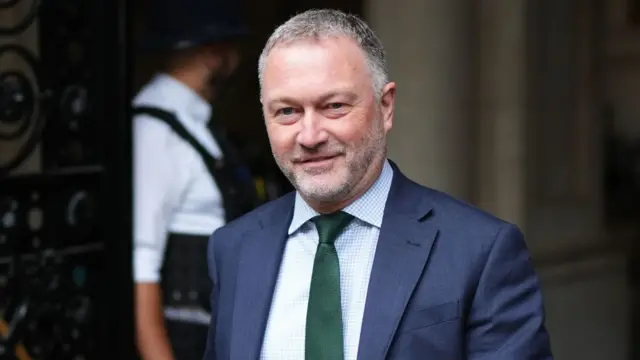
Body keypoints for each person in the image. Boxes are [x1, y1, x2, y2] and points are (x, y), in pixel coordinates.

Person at [203, 8, 553, 360]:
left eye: (334, 106)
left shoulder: (479, 251)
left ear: (386, 107)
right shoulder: (234, 250)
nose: (309, 136)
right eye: (287, 112)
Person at [131, 1, 257, 359]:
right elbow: (140, 266)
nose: (236, 59)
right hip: (185, 343)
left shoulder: (194, 125)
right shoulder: (155, 131)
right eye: (232, 48)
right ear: (213, 53)